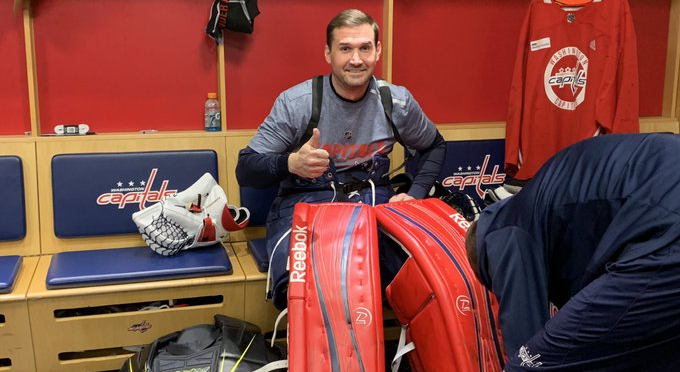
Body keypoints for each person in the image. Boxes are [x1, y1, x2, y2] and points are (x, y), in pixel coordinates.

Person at [236, 9, 445, 310]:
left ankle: (390, 356)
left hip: (373, 201)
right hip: (309, 202)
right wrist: (290, 163)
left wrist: (414, 195)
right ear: (328, 53)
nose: (356, 59)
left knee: (417, 280)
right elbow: (246, 169)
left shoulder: (396, 102)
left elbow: (434, 146)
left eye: (365, 48)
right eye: (345, 48)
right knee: (304, 292)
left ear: (378, 50)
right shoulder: (297, 103)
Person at [465, 133, 680, 371]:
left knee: (525, 367)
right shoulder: (545, 199)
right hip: (661, 197)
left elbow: (527, 338)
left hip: (667, 223)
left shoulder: (501, 231)